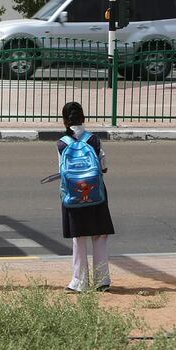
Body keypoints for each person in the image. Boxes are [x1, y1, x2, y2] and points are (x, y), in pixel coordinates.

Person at [57, 102, 114, 292]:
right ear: (83, 118)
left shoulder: (61, 143)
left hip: (73, 195)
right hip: (95, 193)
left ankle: (79, 282)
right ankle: (102, 281)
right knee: (99, 236)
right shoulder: (94, 140)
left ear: (65, 121)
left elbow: (61, 170)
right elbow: (103, 166)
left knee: (78, 238)